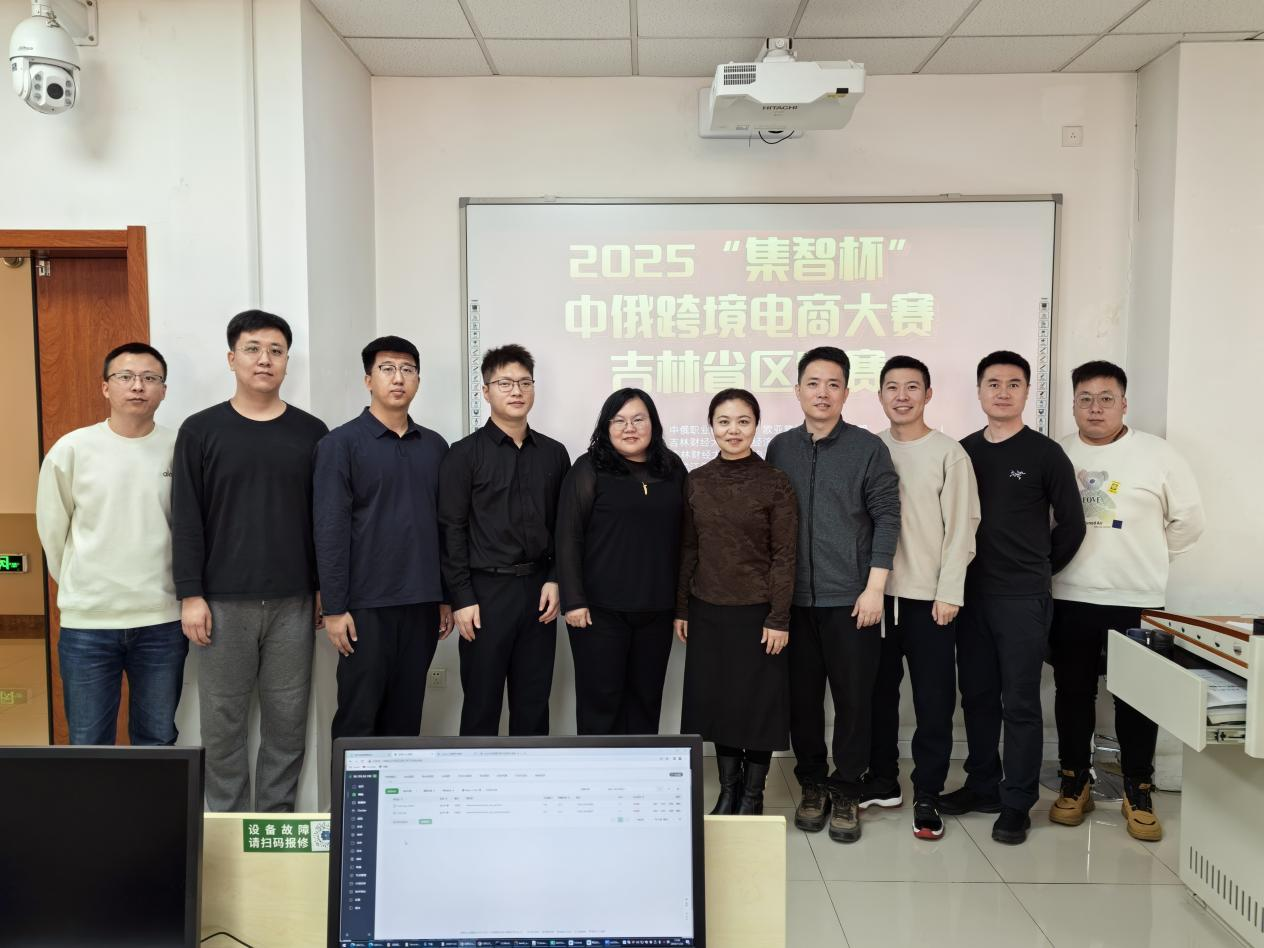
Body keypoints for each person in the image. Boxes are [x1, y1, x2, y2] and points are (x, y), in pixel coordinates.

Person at [172, 310, 328, 812]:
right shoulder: (200, 430)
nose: (265, 359)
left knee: (288, 722)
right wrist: (191, 594)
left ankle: (274, 825)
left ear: (287, 362)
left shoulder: (312, 432)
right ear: (231, 358)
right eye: (253, 349)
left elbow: (323, 519)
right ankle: (228, 825)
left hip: (294, 601)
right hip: (221, 602)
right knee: (223, 725)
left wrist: (324, 588)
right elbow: (186, 518)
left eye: (276, 351)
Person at [1049, 360, 1203, 841]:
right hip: (1069, 595)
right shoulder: (1056, 454)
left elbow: (1188, 522)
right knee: (1072, 692)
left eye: (1106, 399)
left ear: (1124, 403)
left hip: (1137, 599)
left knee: (1137, 697)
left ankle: (1139, 789)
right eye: (1085, 399)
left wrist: (1149, 557)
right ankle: (1075, 782)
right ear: (1073, 404)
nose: (1095, 408)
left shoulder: (1158, 455)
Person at [939, 350, 1085, 845]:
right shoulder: (962, 452)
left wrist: (1039, 570)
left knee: (1020, 701)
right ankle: (982, 784)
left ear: (1027, 392)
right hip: (968, 597)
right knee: (977, 696)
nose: (1003, 392)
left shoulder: (1045, 454)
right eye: (993, 384)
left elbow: (1072, 525)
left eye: (1013, 384)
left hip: (1022, 598)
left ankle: (1018, 801)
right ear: (979, 391)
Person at [767, 346, 901, 844]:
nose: (822, 393)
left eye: (833, 384)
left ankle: (846, 788)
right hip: (794, 604)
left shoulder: (867, 448)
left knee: (853, 700)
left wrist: (875, 587)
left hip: (852, 601)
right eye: (813, 383)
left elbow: (887, 517)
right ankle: (812, 783)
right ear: (798, 390)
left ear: (846, 392)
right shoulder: (780, 448)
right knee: (802, 701)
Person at [36, 342, 186, 745]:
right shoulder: (72, 449)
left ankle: (151, 795)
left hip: (161, 621)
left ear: (163, 390)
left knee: (157, 738)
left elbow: (189, 531)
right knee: (88, 741)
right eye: (125, 377)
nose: (138, 386)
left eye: (150, 378)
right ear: (105, 387)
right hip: (89, 623)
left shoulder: (180, 448)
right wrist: (82, 586)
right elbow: (53, 531)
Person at [314, 336, 454, 739]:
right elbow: (329, 529)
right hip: (365, 607)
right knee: (359, 717)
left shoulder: (435, 446)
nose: (398, 378)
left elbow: (445, 526)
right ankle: (352, 787)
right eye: (387, 369)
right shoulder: (340, 444)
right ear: (368, 380)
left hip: (422, 603)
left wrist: (445, 596)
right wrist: (335, 608)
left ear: (418, 380)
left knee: (406, 718)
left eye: (408, 370)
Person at [870, 355, 980, 840]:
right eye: (892, 387)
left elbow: (963, 528)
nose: (902, 396)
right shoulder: (868, 449)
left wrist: (949, 591)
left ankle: (928, 792)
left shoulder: (949, 453)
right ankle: (882, 781)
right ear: (879, 395)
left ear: (928, 394)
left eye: (912, 387)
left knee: (933, 703)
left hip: (930, 600)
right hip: (875, 598)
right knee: (877, 697)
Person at [438, 344, 570, 736]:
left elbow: (564, 527)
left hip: (539, 591)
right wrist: (462, 598)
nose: (517, 391)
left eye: (525, 382)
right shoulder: (463, 455)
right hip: (485, 593)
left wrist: (556, 578)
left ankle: (531, 778)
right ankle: (475, 779)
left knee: (534, 703)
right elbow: (451, 530)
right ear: (486, 391)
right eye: (505, 383)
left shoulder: (553, 454)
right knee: (481, 703)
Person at [676, 389, 797, 816]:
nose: (733, 430)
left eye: (743, 421)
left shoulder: (775, 481)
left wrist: (779, 617)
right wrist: (682, 608)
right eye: (724, 421)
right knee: (721, 704)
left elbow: (784, 555)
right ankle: (728, 790)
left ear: (756, 426)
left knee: (757, 706)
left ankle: (753, 794)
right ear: (711, 426)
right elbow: (689, 548)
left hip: (759, 613)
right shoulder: (697, 480)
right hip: (708, 609)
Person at [556, 388, 686, 735]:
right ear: (606, 426)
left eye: (638, 419)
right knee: (601, 701)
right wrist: (574, 601)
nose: (630, 428)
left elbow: (687, 536)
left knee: (646, 700)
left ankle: (642, 770)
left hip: (657, 609)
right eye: (619, 420)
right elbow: (568, 536)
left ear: (653, 424)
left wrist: (682, 605)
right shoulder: (589, 468)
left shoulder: (672, 468)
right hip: (599, 611)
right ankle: (598, 770)